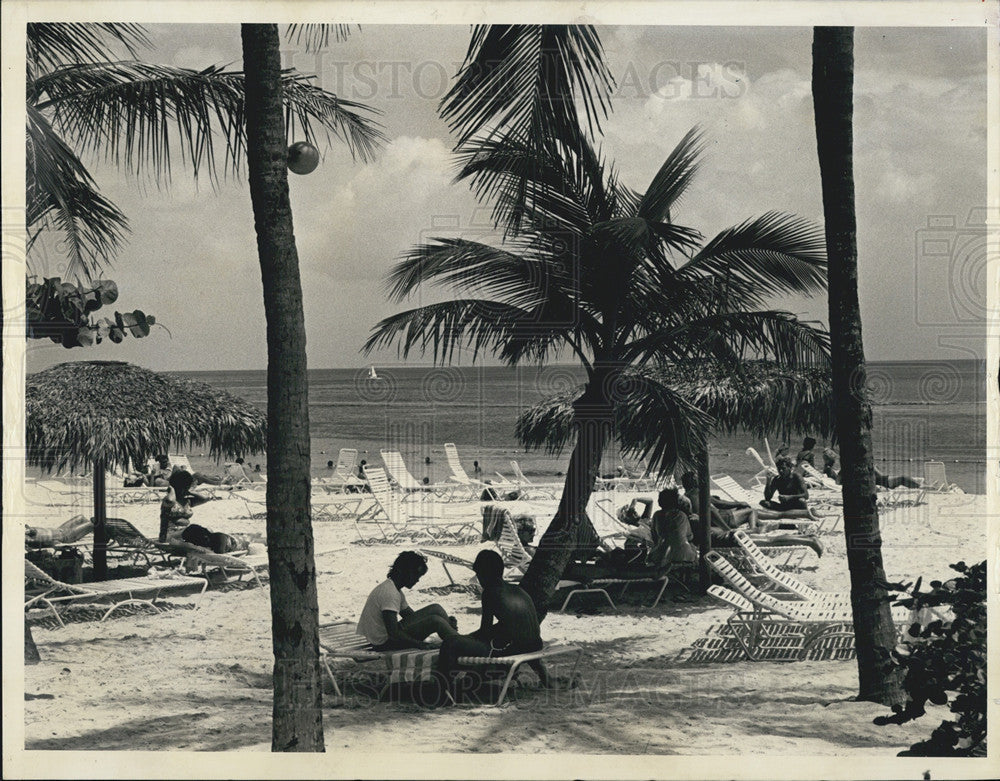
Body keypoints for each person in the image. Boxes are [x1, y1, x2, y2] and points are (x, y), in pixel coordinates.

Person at [435, 550, 547, 703]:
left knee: (449, 643)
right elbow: (517, 626)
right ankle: (468, 684)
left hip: (513, 649)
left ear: (485, 574)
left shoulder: (490, 592)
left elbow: (485, 632)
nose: (478, 580)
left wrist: (464, 639)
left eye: (479, 575)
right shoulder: (517, 590)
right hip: (534, 645)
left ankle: (442, 693)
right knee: (468, 641)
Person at [681, 471, 824, 557]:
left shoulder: (690, 518)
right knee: (768, 537)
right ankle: (806, 538)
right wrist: (727, 529)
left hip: (731, 536)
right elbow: (712, 511)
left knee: (769, 540)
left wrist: (727, 530)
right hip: (730, 534)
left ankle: (808, 539)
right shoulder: (695, 514)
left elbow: (710, 515)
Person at [357, 551, 459, 651]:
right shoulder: (389, 593)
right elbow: (393, 633)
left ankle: (456, 637)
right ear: (402, 571)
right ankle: (459, 643)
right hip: (384, 643)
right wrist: (420, 644)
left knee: (435, 608)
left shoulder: (393, 588)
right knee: (435, 621)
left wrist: (446, 622)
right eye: (415, 575)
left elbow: (411, 616)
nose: (417, 580)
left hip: (387, 638)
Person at [158, 469, 214, 548]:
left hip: (184, 534)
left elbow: (205, 499)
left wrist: (190, 492)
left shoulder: (187, 501)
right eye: (184, 487)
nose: (185, 489)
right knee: (194, 529)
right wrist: (172, 489)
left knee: (207, 531)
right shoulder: (167, 501)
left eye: (187, 487)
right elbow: (171, 501)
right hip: (168, 536)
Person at [821, 448, 922, 489]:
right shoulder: (836, 470)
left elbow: (838, 480)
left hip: (876, 481)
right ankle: (920, 487)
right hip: (880, 482)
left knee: (902, 478)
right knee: (903, 478)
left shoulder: (832, 469)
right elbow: (838, 482)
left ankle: (920, 485)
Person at [647, 488, 698, 567]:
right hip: (683, 555)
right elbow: (690, 536)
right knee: (692, 547)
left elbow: (654, 536)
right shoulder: (681, 515)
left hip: (663, 555)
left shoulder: (657, 515)